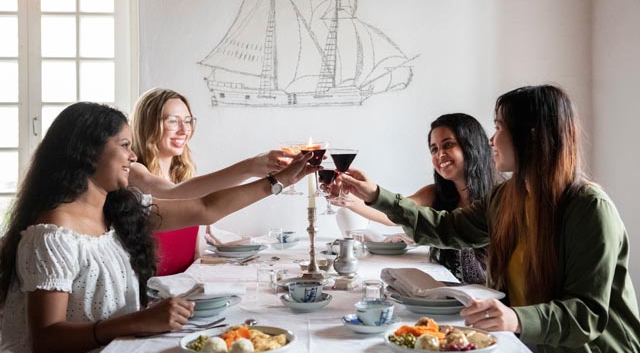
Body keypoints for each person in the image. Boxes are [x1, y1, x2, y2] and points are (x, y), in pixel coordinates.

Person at [339, 85, 640, 351]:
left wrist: (516, 317)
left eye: (499, 127)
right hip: (525, 341)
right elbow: (447, 228)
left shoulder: (588, 208)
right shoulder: (507, 196)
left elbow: (587, 314)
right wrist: (376, 194)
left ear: (531, 136)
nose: (492, 139)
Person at [0, 102, 315, 352]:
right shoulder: (52, 235)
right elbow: (46, 340)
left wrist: (279, 182)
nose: (133, 155)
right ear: (88, 152)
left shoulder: (119, 210)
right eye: (124, 145)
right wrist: (136, 321)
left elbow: (207, 208)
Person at [129, 88, 293, 275]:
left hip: (183, 288)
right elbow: (172, 195)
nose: (184, 130)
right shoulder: (133, 171)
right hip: (154, 294)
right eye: (173, 121)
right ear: (147, 125)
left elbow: (193, 252)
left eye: (188, 121)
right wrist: (250, 167)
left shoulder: (182, 177)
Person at [334, 113, 496, 284]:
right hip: (453, 297)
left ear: (472, 145)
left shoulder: (498, 197)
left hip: (496, 302)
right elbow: (395, 215)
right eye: (434, 149)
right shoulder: (435, 193)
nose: (440, 155)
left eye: (448, 145)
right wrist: (347, 200)